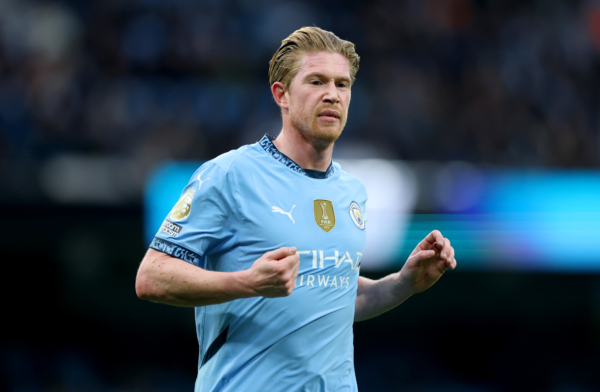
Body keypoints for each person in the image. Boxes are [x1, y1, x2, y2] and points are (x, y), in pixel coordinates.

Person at [135, 26, 456, 392]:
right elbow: (152, 277)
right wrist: (245, 283)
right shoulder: (230, 175)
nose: (332, 95)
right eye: (316, 82)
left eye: (342, 84)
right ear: (281, 94)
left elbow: (332, 298)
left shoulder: (352, 192)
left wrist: (402, 285)